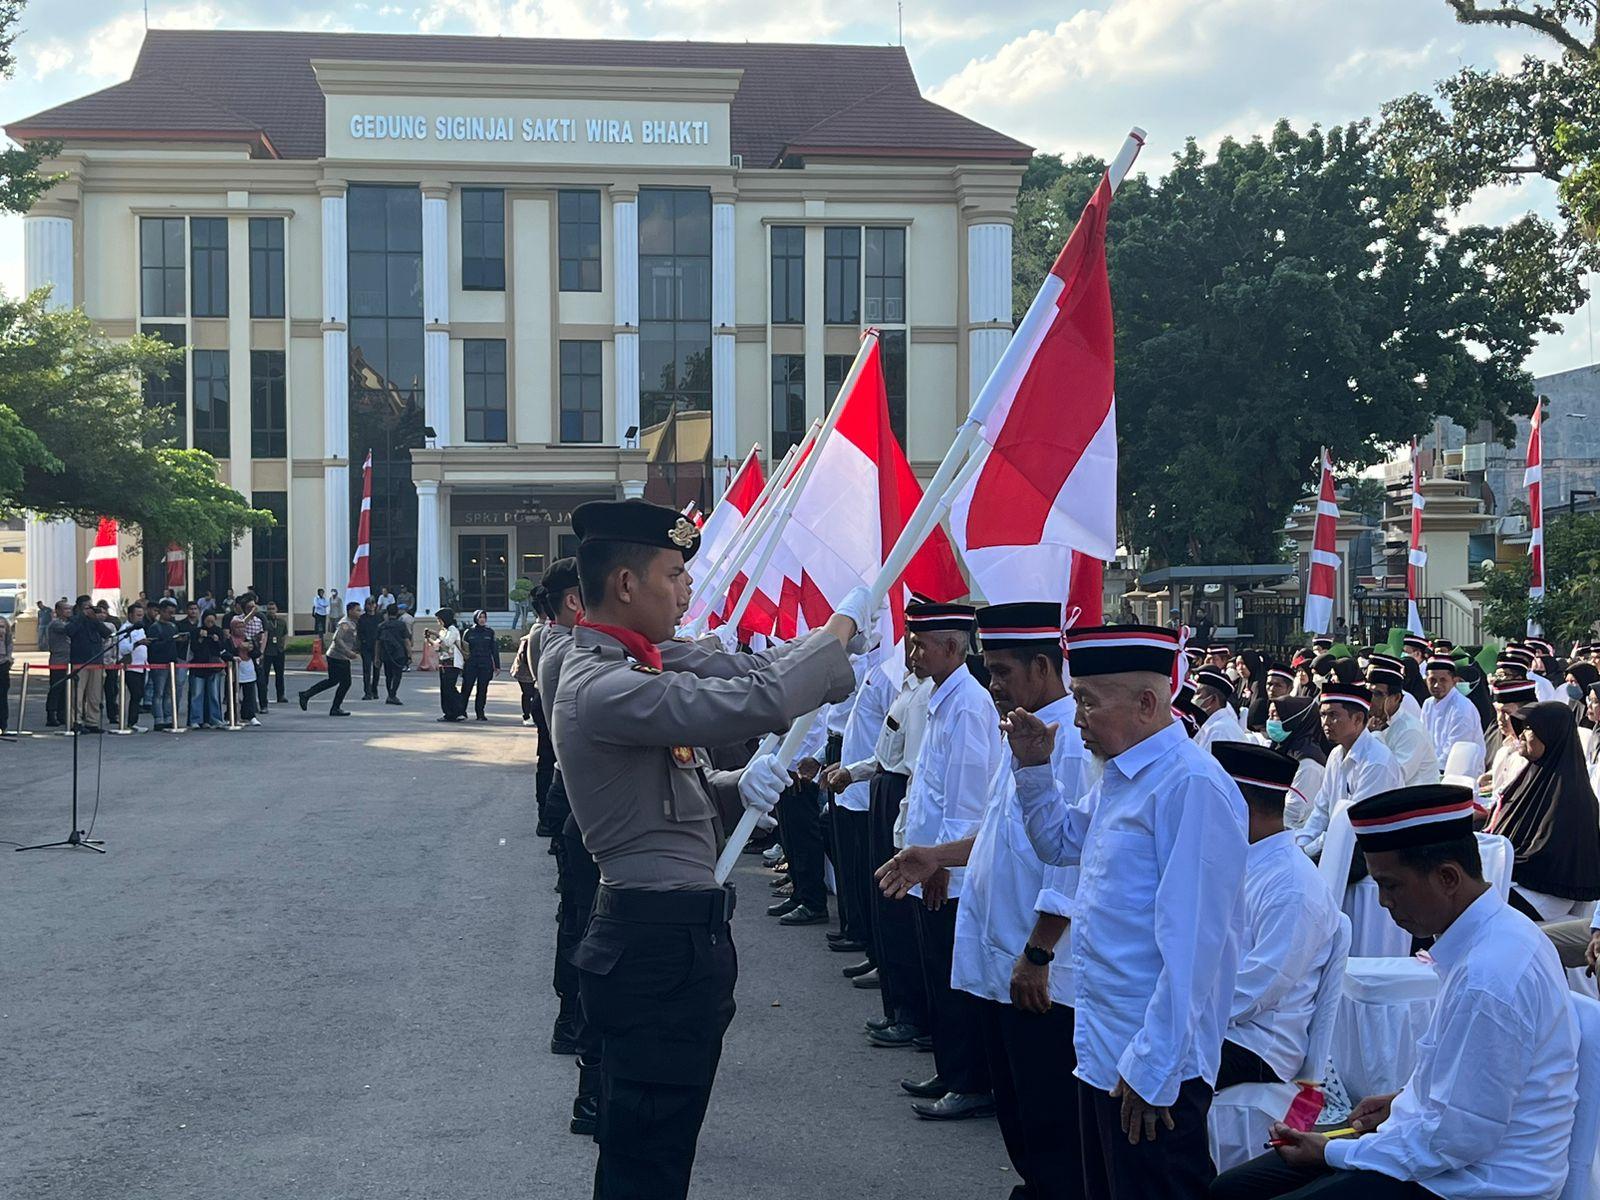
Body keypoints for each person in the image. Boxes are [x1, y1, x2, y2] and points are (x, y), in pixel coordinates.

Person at [550, 498, 860, 1200]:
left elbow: (671, 790)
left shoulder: (629, 667)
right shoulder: (602, 684)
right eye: (672, 573)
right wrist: (834, 636)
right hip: (656, 944)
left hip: (670, 941)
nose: (684, 588)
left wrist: (734, 789)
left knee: (657, 1148)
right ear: (625, 584)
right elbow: (750, 701)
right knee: (648, 1160)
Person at [1213, 784, 1579, 1200]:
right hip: (1446, 1155)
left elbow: (1454, 1140)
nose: (1384, 902)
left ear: (1447, 877)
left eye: (1392, 886)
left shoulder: (1489, 974)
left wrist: (1333, 1151)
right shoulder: (1494, 936)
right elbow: (1468, 1095)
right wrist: (1405, 1101)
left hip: (1474, 1183)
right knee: (1232, 1188)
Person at [1003, 623, 1248, 1200]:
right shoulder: (1123, 775)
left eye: (1088, 701)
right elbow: (1059, 843)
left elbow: (1193, 948)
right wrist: (1034, 768)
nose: (1077, 718)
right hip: (1104, 1047)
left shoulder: (1190, 785)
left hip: (1151, 1064)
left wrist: (1153, 1067)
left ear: (1146, 704)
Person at [877, 601, 1089, 1187]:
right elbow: (998, 833)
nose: (991, 683)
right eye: (989, 670)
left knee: (1049, 1124)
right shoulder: (1022, 726)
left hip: (1037, 965)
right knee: (1021, 1117)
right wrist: (936, 856)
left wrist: (1040, 952)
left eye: (1001, 671)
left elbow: (1072, 862)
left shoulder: (1067, 742)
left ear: (1042, 667)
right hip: (1005, 955)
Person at [896, 601, 1002, 1120]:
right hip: (929, 862)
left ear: (952, 648)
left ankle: (969, 1081)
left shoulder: (968, 705)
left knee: (956, 977)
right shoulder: (943, 697)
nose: (914, 653)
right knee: (937, 972)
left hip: (948, 870)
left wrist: (942, 864)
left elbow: (966, 798)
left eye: (921, 645)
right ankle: (950, 1067)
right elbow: (929, 786)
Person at [1208, 742, 1342, 1091]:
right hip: (1216, 1022)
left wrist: (1181, 1016)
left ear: (1240, 806)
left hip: (1255, 1043)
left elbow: (1256, 989)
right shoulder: (1237, 859)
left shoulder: (1292, 885)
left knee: (1152, 1064)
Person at [1489, 700, 1600, 922]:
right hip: (1517, 881)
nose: (1521, 735)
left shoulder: (1570, 794)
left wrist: (1499, 859)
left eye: (1529, 729)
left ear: (1550, 734)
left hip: (1544, 894)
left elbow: (1548, 857)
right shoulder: (1533, 776)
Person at [1294, 683, 1404, 860]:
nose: (1325, 722)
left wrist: (1308, 851)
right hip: (1337, 846)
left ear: (1358, 719)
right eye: (1323, 715)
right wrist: (1301, 844)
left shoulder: (1376, 762)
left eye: (1333, 715)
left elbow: (1352, 825)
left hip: (1371, 855)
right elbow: (1321, 810)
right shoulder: (1336, 754)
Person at [1365, 662, 1439, 787]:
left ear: (1396, 698)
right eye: (1368, 692)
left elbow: (1393, 778)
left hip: (1415, 795)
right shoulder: (1371, 722)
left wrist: (1374, 736)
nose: (1370, 699)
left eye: (1378, 694)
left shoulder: (1410, 730)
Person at [1265, 696, 1327, 829]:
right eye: (1269, 715)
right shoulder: (1281, 749)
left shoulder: (1308, 764)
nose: (1270, 721)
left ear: (1294, 720)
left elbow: (1293, 814)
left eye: (1276, 716)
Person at [1421, 656, 1485, 778]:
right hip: (1434, 771)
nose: (1436, 685)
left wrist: (1428, 771)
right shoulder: (1428, 704)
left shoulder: (1462, 708)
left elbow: (1454, 752)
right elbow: (1423, 742)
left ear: (1454, 681)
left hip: (1463, 775)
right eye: (1432, 680)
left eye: (1443, 680)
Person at [300, 601, 359, 716]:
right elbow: (337, 638)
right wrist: (347, 652)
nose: (359, 612)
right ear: (350, 611)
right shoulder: (345, 623)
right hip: (338, 656)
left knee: (333, 681)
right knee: (345, 683)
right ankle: (334, 707)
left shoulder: (352, 622)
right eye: (357, 610)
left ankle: (306, 695)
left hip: (339, 656)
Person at [66, 595, 110, 734]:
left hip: (96, 661)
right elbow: (69, 631)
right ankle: (76, 721)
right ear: (79, 608)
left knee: (95, 695)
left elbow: (107, 633)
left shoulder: (94, 621)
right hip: (80, 662)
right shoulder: (75, 620)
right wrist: (82, 617)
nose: (90, 609)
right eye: (87, 607)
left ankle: (92, 722)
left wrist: (94, 619)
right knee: (77, 694)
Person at [1192, 665, 1252, 750]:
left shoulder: (1220, 730)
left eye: (1197, 693)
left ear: (1213, 699)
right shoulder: (1214, 726)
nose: (1193, 698)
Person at [188, 610, 228, 729]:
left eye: (212, 621)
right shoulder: (196, 631)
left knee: (214, 694)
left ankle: (215, 718)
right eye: (207, 621)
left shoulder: (218, 631)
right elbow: (194, 648)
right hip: (198, 667)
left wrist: (217, 640)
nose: (210, 623)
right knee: (197, 694)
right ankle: (196, 719)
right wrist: (200, 638)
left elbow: (222, 648)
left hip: (214, 668)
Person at [143, 600, 179, 731]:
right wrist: (169, 640)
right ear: (162, 612)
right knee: (159, 691)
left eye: (173, 613)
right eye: (169, 612)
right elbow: (153, 647)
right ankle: (159, 718)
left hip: (172, 662)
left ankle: (168, 717)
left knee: (169, 692)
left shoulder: (173, 626)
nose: (171, 615)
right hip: (159, 663)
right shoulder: (155, 627)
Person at [426, 608, 465, 722]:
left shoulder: (453, 630)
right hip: (443, 663)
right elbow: (437, 646)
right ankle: (448, 713)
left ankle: (458, 711)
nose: (438, 621)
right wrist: (428, 639)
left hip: (453, 663)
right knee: (444, 689)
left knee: (450, 688)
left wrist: (435, 633)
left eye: (439, 619)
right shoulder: (443, 631)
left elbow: (448, 642)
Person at [460, 609, 499, 720]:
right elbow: (463, 650)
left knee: (482, 690)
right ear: (475, 618)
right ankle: (461, 711)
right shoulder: (468, 632)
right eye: (480, 617)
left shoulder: (489, 632)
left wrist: (497, 666)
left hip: (485, 664)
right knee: (466, 689)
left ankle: (480, 713)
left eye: (484, 617)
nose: (482, 619)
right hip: (471, 664)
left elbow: (494, 650)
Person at [116, 602, 148, 732]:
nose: (140, 618)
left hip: (142, 665)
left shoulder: (140, 628)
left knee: (139, 694)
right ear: (130, 615)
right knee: (136, 693)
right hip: (131, 666)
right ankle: (131, 722)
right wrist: (137, 643)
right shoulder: (125, 629)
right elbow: (123, 648)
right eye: (138, 615)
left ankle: (133, 721)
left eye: (142, 615)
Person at [376, 603, 410, 704]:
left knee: (388, 675)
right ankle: (392, 694)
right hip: (399, 653)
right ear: (397, 612)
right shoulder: (401, 625)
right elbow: (406, 641)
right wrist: (409, 655)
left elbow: (378, 643)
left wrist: (377, 657)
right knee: (397, 675)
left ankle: (390, 695)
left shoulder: (381, 626)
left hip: (386, 653)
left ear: (387, 612)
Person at [45, 599, 72, 727]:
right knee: (56, 688)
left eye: (69, 609)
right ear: (58, 611)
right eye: (65, 609)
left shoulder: (67, 623)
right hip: (58, 660)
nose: (68, 611)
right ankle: (51, 715)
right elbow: (67, 630)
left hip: (68, 660)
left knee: (65, 690)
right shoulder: (55, 624)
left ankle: (62, 714)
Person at [262, 601, 288, 704]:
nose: (271, 611)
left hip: (279, 651)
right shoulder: (264, 621)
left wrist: (283, 646)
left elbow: (285, 634)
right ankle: (264, 696)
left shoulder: (281, 622)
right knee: (265, 675)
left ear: (276, 609)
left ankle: (281, 695)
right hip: (267, 652)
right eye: (269, 609)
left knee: (280, 675)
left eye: (273, 609)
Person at [356, 597, 381, 700]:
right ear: (366, 605)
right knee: (366, 670)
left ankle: (374, 690)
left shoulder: (379, 618)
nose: (371, 606)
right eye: (369, 604)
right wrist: (360, 644)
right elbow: (359, 633)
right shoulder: (362, 618)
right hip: (366, 647)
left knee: (377, 670)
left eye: (373, 603)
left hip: (377, 647)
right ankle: (367, 692)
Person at [0, 610, 12, 734]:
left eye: (2, 627)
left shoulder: (4, 621)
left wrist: (8, 657)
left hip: (3, 663)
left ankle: (3, 725)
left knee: (2, 695)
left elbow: (9, 642)